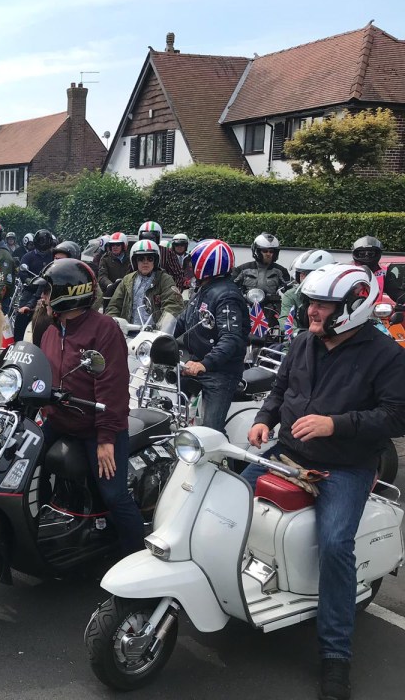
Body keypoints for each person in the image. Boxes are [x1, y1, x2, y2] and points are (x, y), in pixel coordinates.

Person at [244, 264, 405, 700]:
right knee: (227, 494)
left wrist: (337, 425)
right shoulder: (302, 343)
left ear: (352, 308)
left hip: (346, 466)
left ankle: (336, 655)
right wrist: (264, 420)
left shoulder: (386, 354)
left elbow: (397, 415)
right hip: (287, 453)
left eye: (322, 304)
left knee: (335, 544)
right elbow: (279, 391)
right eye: (311, 302)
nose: (311, 311)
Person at [38, 259, 143, 554]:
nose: (42, 298)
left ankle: (136, 561)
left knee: (114, 494)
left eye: (47, 292)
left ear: (66, 293)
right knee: (24, 464)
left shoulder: (103, 329)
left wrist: (106, 438)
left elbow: (112, 387)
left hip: (95, 426)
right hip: (59, 419)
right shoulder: (52, 329)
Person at [175, 239, 248, 431]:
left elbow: (231, 338)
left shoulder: (226, 295)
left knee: (209, 432)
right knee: (173, 413)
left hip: (220, 373)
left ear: (205, 264)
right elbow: (182, 321)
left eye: (193, 263)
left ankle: (217, 460)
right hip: (194, 364)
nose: (190, 267)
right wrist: (158, 339)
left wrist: (205, 364)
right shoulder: (204, 289)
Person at [105, 239, 184, 327]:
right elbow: (114, 306)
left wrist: (161, 325)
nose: (145, 262)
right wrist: (114, 323)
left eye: (150, 259)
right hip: (128, 331)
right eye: (141, 259)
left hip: (154, 333)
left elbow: (173, 305)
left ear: (155, 261)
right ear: (135, 261)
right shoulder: (127, 280)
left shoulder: (164, 279)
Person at [280, 249, 334, 337]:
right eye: (301, 274)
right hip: (296, 342)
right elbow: (285, 319)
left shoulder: (334, 296)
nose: (303, 278)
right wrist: (297, 333)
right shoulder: (291, 295)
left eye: (307, 274)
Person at [14, 230, 56, 343]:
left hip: (48, 291)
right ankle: (17, 342)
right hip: (30, 291)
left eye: (46, 243)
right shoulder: (27, 257)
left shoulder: (53, 257)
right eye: (41, 242)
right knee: (21, 315)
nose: (43, 246)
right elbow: (22, 273)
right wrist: (30, 281)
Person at [232, 232, 290, 308]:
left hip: (272, 309)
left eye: (271, 251)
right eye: (265, 251)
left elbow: (289, 292)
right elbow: (231, 288)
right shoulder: (243, 269)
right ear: (257, 251)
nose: (268, 254)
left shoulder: (281, 271)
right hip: (247, 308)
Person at [351, 235, 404, 304]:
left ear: (377, 254)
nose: (366, 256)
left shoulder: (384, 272)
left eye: (371, 253)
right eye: (362, 254)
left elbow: (396, 292)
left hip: (373, 312)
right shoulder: (348, 270)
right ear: (355, 254)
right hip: (349, 311)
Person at [137, 221, 185, 291]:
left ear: (158, 238)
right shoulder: (136, 252)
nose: (149, 241)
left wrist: (172, 293)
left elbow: (178, 275)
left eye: (152, 238)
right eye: (145, 238)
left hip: (161, 292)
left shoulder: (167, 252)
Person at [97, 231, 129, 296]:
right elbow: (102, 276)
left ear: (123, 246)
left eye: (118, 244)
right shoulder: (105, 259)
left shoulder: (130, 259)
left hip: (127, 292)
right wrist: (110, 285)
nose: (115, 247)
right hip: (110, 293)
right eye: (112, 245)